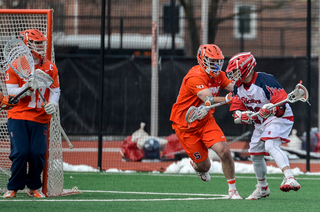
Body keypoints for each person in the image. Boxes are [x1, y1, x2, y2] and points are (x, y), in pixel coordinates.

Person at [170, 44, 242, 199]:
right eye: (212, 61)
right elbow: (208, 98)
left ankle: (232, 190)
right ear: (202, 60)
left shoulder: (219, 75)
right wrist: (228, 99)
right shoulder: (194, 77)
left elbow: (236, 89)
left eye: (218, 61)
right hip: (186, 125)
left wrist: (253, 90)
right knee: (205, 166)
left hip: (205, 120)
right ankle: (197, 166)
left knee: (225, 151)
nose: (216, 65)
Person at [225, 52, 301, 200]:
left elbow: (282, 107)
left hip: (279, 118)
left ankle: (289, 177)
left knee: (270, 145)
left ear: (246, 68)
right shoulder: (238, 88)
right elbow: (236, 114)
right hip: (261, 122)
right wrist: (243, 116)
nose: (233, 76)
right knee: (255, 153)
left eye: (235, 72)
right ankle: (262, 188)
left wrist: (272, 108)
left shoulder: (266, 80)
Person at [3, 29, 61, 198]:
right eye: (37, 43)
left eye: (42, 43)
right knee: (21, 152)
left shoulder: (50, 67)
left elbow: (56, 90)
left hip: (40, 116)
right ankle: (13, 187)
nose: (41, 46)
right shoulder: (14, 65)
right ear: (27, 44)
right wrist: (26, 88)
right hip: (19, 115)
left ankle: (34, 186)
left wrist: (53, 104)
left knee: (37, 152)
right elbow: (12, 94)